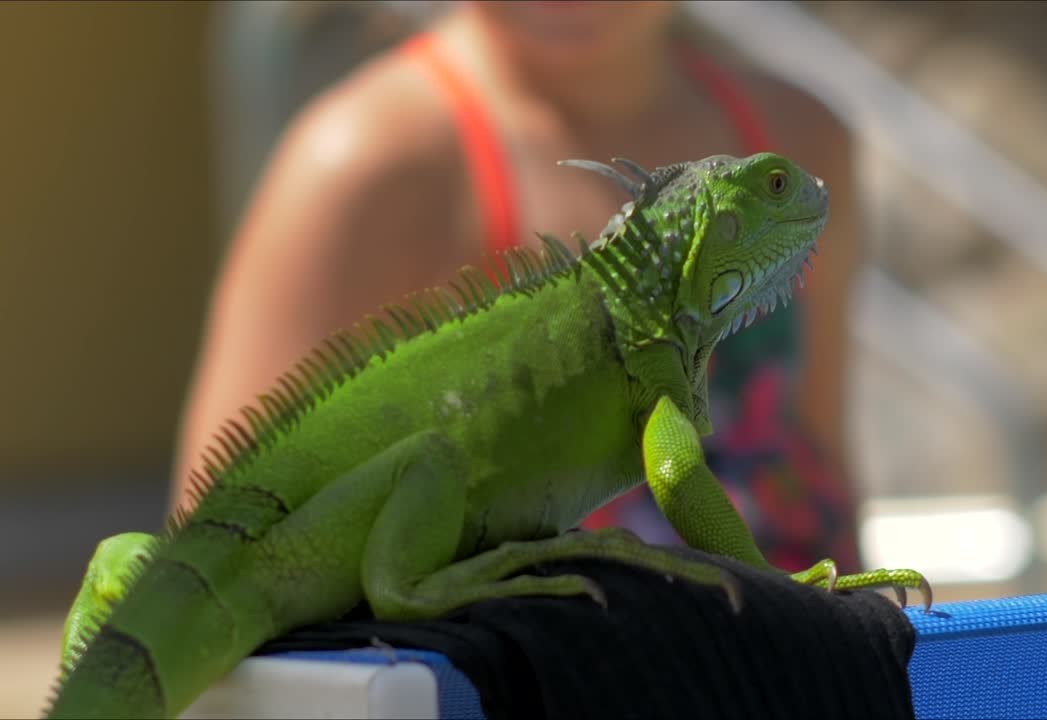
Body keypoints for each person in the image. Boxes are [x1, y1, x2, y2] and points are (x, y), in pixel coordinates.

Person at [173, 1, 862, 571]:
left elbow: (824, 466)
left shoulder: (797, 146)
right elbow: (219, 560)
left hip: (803, 661)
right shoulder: (362, 164)